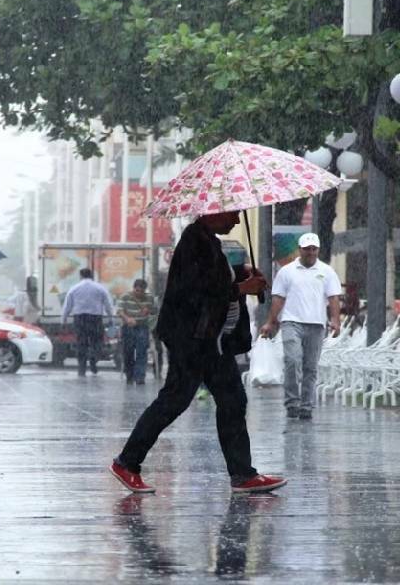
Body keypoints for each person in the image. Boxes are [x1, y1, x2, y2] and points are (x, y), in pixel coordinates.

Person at [109, 211, 287, 494]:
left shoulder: (210, 242)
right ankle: (127, 462)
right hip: (191, 340)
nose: (238, 221)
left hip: (213, 341)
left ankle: (242, 474)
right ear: (215, 212)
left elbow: (214, 278)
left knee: (232, 401)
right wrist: (241, 287)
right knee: (174, 400)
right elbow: (195, 291)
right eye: (233, 214)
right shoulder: (193, 242)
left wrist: (241, 273)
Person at [259, 232, 342, 420]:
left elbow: (334, 297)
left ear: (318, 250)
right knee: (292, 360)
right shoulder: (287, 272)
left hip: (316, 324)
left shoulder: (327, 271)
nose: (310, 253)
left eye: (313, 249)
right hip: (291, 322)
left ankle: (306, 405)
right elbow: (278, 298)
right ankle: (292, 402)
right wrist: (270, 322)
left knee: (310, 367)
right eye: (306, 249)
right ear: (300, 250)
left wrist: (335, 320)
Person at [61, 268, 114, 376]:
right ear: (92, 276)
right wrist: (110, 318)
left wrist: (63, 320)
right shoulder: (100, 288)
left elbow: (67, 306)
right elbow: (108, 304)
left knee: (81, 343)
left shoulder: (74, 289)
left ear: (81, 276)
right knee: (97, 343)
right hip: (95, 319)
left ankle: (82, 369)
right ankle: (93, 359)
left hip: (80, 319)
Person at [118, 278, 157, 385]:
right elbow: (120, 311)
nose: (139, 293)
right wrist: (127, 319)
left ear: (145, 290)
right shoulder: (125, 296)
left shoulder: (149, 298)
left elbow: (155, 311)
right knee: (128, 351)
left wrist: (148, 310)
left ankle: (140, 377)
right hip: (128, 327)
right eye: (137, 291)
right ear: (134, 288)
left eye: (141, 291)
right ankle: (129, 375)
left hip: (142, 326)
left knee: (142, 351)